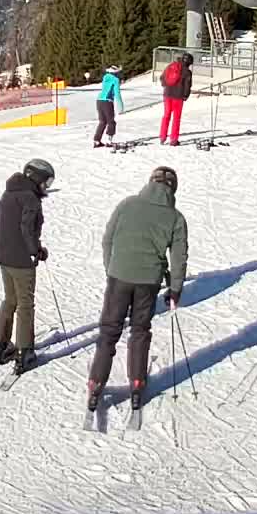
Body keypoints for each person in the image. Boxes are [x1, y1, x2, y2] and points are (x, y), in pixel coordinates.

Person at [87, 166, 190, 413]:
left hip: (118, 276)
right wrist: (175, 289)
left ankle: (96, 383)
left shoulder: (127, 204)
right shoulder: (175, 218)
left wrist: (111, 268)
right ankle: (136, 383)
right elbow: (179, 258)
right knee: (140, 330)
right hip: (148, 281)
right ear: (172, 189)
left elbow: (107, 240)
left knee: (109, 331)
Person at [0, 159, 54, 373]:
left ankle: (1, 345)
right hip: (21, 261)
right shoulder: (31, 199)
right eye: (47, 182)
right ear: (37, 178)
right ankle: (25, 352)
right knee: (25, 304)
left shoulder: (10, 191)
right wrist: (36, 250)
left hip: (4, 257)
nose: (47, 187)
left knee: (10, 300)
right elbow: (27, 229)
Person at [159, 53, 194, 146]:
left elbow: (162, 77)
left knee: (166, 115)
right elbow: (187, 86)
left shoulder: (171, 66)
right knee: (176, 118)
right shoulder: (187, 72)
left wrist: (166, 86)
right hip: (178, 97)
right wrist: (185, 96)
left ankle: (162, 137)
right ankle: (173, 139)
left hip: (167, 94)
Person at [93, 65, 123, 148]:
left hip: (99, 100)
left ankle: (96, 141)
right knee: (111, 121)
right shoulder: (115, 80)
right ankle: (109, 141)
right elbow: (117, 93)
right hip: (107, 101)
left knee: (102, 121)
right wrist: (120, 106)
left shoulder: (105, 77)